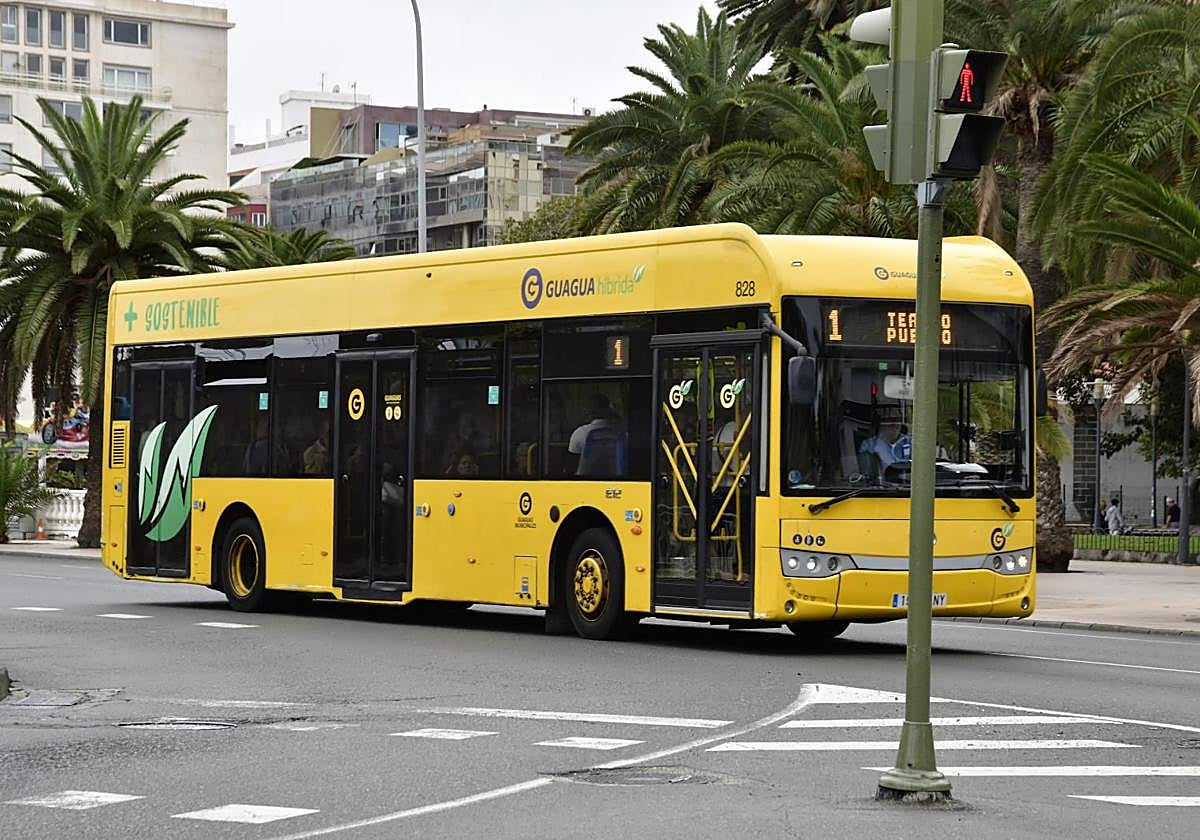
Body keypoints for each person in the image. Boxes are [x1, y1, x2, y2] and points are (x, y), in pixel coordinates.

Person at [569, 394, 622, 475]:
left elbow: (572, 464)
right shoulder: (621, 433)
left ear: (588, 412)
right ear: (608, 410)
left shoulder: (579, 433)